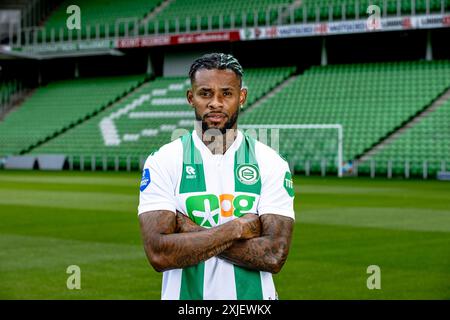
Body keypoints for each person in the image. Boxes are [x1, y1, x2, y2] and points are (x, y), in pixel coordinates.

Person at [138, 53, 295, 300]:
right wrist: (236, 228)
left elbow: (274, 255)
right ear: (191, 98)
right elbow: (159, 254)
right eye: (205, 93)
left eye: (227, 93)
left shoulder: (271, 162)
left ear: (241, 97)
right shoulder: (163, 161)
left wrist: (191, 230)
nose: (216, 103)